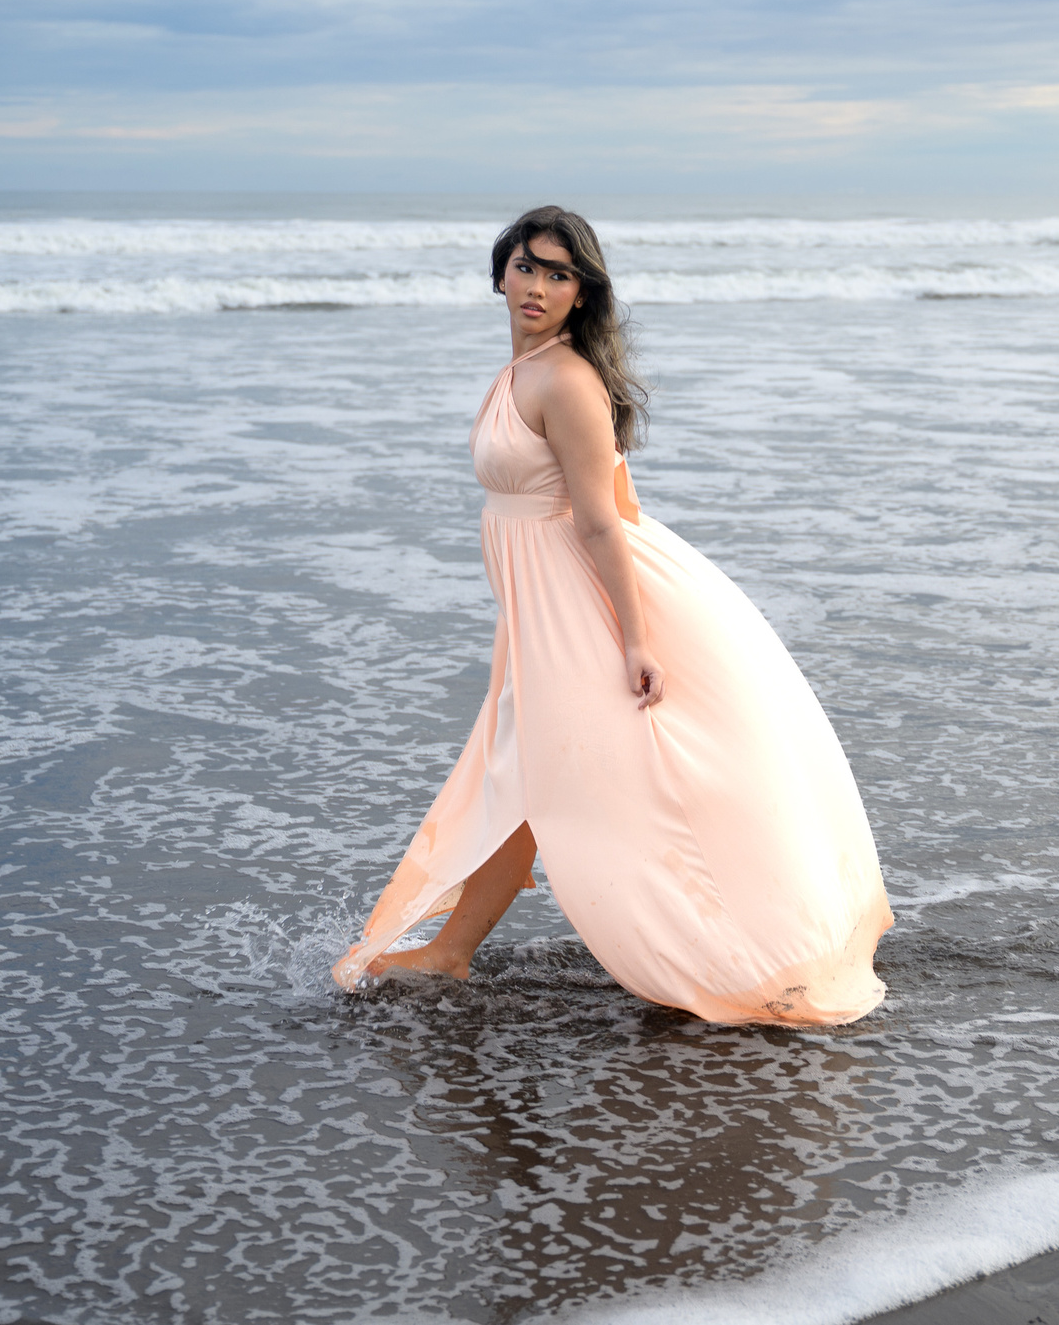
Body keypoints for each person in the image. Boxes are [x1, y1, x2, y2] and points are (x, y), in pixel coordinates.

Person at [330, 206, 892, 1025]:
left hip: (583, 604)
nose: (538, 285)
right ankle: (453, 948)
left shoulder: (564, 381)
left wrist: (635, 639)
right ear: (500, 272)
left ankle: (736, 949)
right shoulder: (521, 370)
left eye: (559, 274)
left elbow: (599, 521)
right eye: (527, 266)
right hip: (542, 606)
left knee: (570, 771)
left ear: (582, 293)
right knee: (526, 767)